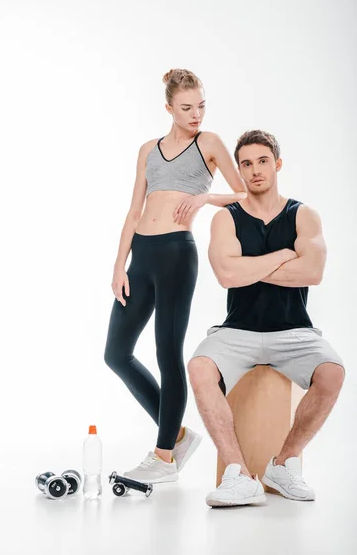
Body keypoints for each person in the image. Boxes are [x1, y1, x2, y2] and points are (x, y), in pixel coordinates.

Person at [103, 68, 247, 483]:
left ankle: (164, 457)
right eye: (186, 108)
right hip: (142, 256)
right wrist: (118, 265)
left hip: (176, 255)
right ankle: (178, 435)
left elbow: (243, 195)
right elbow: (134, 210)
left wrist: (204, 197)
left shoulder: (210, 143)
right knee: (116, 353)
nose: (196, 114)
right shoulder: (148, 149)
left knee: (168, 353)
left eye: (201, 105)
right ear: (169, 108)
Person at [188, 129, 345, 506]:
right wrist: (281, 256)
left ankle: (284, 463)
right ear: (239, 170)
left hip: (294, 331)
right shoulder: (226, 218)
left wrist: (247, 267)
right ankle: (239, 475)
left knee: (333, 372)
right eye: (246, 163)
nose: (255, 170)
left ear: (277, 164)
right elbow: (226, 276)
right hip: (237, 330)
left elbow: (313, 273)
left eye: (262, 161)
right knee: (198, 367)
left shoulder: (303, 215)